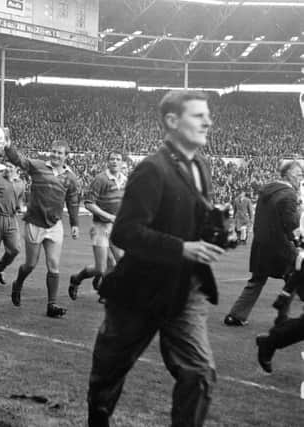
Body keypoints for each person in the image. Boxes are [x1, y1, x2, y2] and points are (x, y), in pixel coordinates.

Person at [88, 90, 225, 426]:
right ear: (172, 121)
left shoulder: (202, 165)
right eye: (198, 115)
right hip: (139, 293)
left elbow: (191, 219)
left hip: (184, 291)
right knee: (108, 375)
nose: (208, 121)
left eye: (207, 115)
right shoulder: (152, 169)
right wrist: (181, 248)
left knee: (199, 373)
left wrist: (218, 231)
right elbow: (126, 232)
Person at [4, 139, 80, 318]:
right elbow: (19, 160)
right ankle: (18, 284)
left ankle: (51, 305)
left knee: (53, 264)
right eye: (53, 151)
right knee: (30, 264)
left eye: (60, 153)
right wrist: (8, 146)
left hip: (54, 225)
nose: (55, 155)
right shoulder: (38, 166)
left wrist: (75, 224)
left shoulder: (71, 177)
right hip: (35, 222)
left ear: (66, 156)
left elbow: (73, 201)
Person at [224, 161, 302, 327]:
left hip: (261, 245)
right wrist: (299, 244)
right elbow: (291, 224)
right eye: (298, 174)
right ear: (288, 174)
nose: (300, 178)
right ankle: (284, 319)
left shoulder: (267, 190)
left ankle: (236, 315)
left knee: (256, 281)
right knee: (299, 276)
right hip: (281, 248)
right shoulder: (289, 194)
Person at [68, 151, 126, 300]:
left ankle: (104, 290)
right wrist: (108, 216)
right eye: (112, 159)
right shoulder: (100, 179)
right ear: (107, 162)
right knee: (102, 267)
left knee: (119, 260)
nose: (115, 161)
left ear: (122, 162)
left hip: (116, 227)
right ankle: (76, 279)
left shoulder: (124, 179)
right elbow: (88, 203)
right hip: (100, 227)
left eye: (118, 159)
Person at [0, 161, 24, 287]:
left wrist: (19, 207)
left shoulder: (21, 183)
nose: (7, 168)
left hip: (11, 218)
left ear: (17, 168)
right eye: (6, 165)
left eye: (11, 166)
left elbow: (20, 200)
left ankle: (0, 268)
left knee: (15, 248)